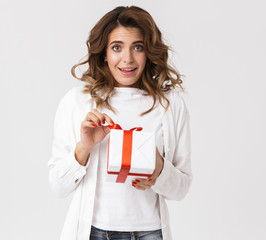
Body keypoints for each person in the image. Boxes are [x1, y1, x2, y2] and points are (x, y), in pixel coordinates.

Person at [48, 6, 192, 240]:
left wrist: (159, 169)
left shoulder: (170, 105)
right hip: (94, 232)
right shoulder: (77, 102)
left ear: (148, 52)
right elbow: (58, 186)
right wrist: (84, 147)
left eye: (138, 47)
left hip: (150, 232)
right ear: (104, 52)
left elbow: (181, 189)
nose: (128, 59)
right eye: (117, 47)